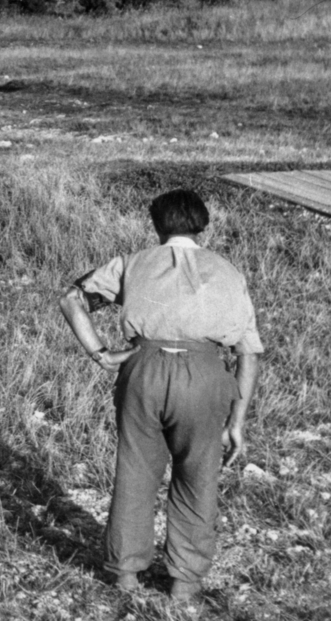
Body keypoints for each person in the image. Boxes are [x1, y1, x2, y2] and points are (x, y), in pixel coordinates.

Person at [58, 189, 262, 608]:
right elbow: (248, 354)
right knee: (197, 475)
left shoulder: (133, 263)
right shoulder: (228, 272)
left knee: (135, 469)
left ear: (157, 225)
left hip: (143, 369)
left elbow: (71, 299)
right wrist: (237, 422)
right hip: (205, 375)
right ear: (202, 224)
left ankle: (125, 574)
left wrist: (101, 354)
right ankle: (185, 582)